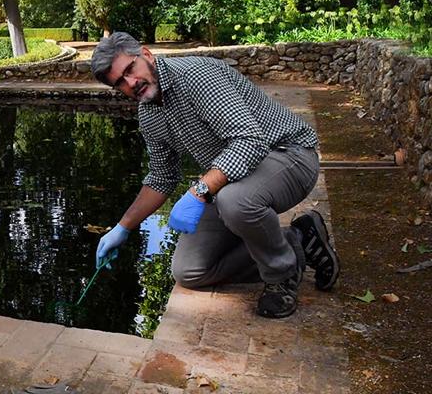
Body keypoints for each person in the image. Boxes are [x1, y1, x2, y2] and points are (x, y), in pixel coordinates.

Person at [89, 32, 340, 318]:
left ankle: (281, 273)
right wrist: (123, 228)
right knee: (190, 270)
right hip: (235, 177)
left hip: (288, 154)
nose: (131, 83)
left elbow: (249, 141)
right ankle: (296, 239)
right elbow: (161, 177)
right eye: (119, 82)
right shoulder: (149, 115)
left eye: (130, 69)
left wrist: (198, 191)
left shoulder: (196, 77)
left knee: (235, 201)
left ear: (146, 55)